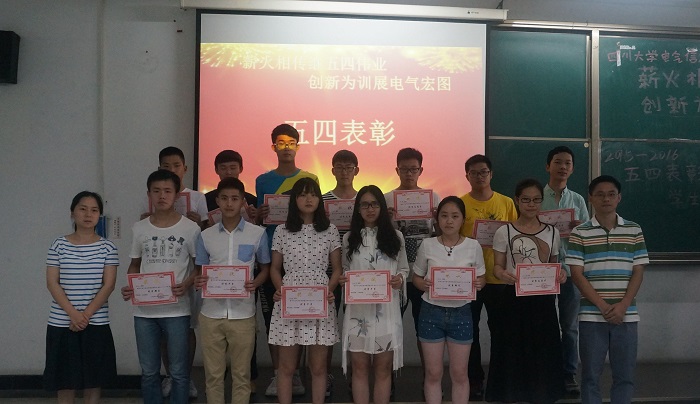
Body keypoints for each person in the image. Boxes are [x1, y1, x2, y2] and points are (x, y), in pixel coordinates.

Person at [121, 169, 201, 404]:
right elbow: (134, 265)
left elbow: (200, 267)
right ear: (149, 195)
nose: (162, 196)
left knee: (179, 372)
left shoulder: (190, 229)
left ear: (176, 195)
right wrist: (130, 286)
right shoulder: (139, 228)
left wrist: (186, 284)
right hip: (144, 312)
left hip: (177, 310)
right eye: (156, 191)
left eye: (167, 191)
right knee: (149, 372)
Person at [567, 175, 648, 404]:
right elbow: (577, 274)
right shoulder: (580, 232)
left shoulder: (634, 229)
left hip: (626, 315)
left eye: (611, 194)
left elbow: (638, 271)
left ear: (619, 198)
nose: (606, 199)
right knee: (590, 377)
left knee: (625, 376)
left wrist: (623, 306)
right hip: (592, 316)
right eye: (600, 194)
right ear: (590, 198)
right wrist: (603, 306)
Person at [488, 178, 567, 403]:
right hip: (513, 298)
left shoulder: (552, 232)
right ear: (517, 200)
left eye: (536, 200)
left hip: (543, 300)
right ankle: (512, 394)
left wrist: (560, 274)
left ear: (541, 202)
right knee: (513, 347)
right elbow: (497, 267)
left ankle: (541, 393)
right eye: (526, 200)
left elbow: (554, 265)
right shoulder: (504, 231)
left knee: (543, 349)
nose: (531, 205)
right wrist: (503, 274)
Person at [194, 177, 271, 404]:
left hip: (243, 314)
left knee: (242, 376)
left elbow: (265, 269)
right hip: (211, 314)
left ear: (243, 202)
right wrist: (199, 280)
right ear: (217, 201)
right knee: (213, 376)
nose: (229, 203)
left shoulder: (257, 234)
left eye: (235, 199)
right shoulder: (205, 235)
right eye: (225, 198)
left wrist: (256, 283)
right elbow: (199, 270)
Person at [255, 123, 318, 397]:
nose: (286, 148)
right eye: (281, 143)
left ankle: (296, 375)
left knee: (302, 316)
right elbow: (261, 220)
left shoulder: (309, 177)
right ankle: (279, 372)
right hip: (273, 258)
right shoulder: (262, 180)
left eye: (291, 143)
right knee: (274, 319)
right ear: (274, 147)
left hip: (303, 261)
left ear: (298, 146)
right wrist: (259, 216)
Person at [268, 177, 341, 404]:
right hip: (290, 299)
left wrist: (329, 290)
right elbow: (275, 268)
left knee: (318, 367)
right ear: (294, 200)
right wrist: (281, 290)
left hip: (320, 299)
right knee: (286, 367)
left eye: (313, 194)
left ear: (319, 199)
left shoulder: (330, 230)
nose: (308, 199)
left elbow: (337, 269)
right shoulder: (281, 230)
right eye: (302, 195)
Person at [44, 191, 119, 404]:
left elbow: (109, 285)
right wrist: (73, 314)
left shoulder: (108, 247)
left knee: (94, 379)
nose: (88, 214)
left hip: (96, 321)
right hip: (62, 322)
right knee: (64, 381)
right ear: (72, 213)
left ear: (99, 216)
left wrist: (84, 315)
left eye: (94, 210)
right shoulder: (58, 244)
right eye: (83, 209)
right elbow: (52, 283)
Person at [412, 196, 486, 404]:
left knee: (460, 373)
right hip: (431, 312)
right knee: (433, 373)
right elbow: (416, 277)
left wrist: (479, 283)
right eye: (444, 216)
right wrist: (423, 284)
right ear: (437, 219)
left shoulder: (473, 246)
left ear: (463, 219)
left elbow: (482, 277)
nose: (449, 221)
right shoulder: (427, 245)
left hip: (462, 313)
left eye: (455, 216)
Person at [146, 146, 206, 399]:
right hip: (159, 272)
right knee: (161, 329)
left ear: (185, 168)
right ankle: (170, 375)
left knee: (186, 327)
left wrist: (199, 222)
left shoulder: (198, 197)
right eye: (166, 166)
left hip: (186, 272)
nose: (172, 170)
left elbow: (206, 235)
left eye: (176, 165)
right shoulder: (153, 194)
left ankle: (186, 377)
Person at [340, 185, 408, 404]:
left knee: (383, 368)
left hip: (386, 313)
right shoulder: (349, 238)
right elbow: (345, 270)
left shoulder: (396, 237)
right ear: (358, 209)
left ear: (382, 207)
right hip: (357, 314)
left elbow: (404, 269)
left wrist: (399, 279)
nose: (370, 209)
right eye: (365, 205)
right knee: (359, 368)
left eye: (375, 204)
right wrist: (343, 279)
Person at [458, 154, 518, 400]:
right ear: (467, 176)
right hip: (470, 279)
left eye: (483, 172)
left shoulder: (506, 203)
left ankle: (499, 380)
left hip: (500, 278)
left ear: (491, 174)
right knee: (469, 333)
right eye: (474, 172)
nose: (479, 176)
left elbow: (516, 237)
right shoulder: (461, 204)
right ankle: (474, 380)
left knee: (501, 332)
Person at [384, 147, 440, 380]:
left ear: (421, 170)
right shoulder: (386, 199)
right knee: (390, 327)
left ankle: (430, 377)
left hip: (423, 275)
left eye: (413, 169)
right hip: (395, 275)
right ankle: (387, 377)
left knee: (424, 329)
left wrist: (438, 219)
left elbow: (439, 236)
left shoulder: (433, 198)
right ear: (397, 170)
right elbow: (380, 236)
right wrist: (386, 219)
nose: (409, 173)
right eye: (404, 169)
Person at [542, 145, 590, 394]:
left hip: (571, 272)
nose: (563, 167)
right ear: (548, 166)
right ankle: (545, 372)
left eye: (567, 163)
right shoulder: (536, 197)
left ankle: (569, 373)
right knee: (543, 325)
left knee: (570, 327)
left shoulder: (578, 200)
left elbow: (588, 238)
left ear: (572, 169)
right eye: (558, 162)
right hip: (541, 272)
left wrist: (582, 229)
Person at [321, 149, 359, 397]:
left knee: (356, 325)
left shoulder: (364, 200)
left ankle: (357, 375)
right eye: (340, 167)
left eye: (349, 167)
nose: (344, 172)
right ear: (332, 170)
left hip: (358, 272)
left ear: (357, 170)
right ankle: (324, 375)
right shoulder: (323, 200)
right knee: (327, 326)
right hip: (329, 271)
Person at [204, 149, 257, 224]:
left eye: (233, 168)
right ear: (216, 170)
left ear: (241, 169)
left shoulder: (252, 201)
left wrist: (257, 216)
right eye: (223, 168)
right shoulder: (205, 200)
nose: (228, 172)